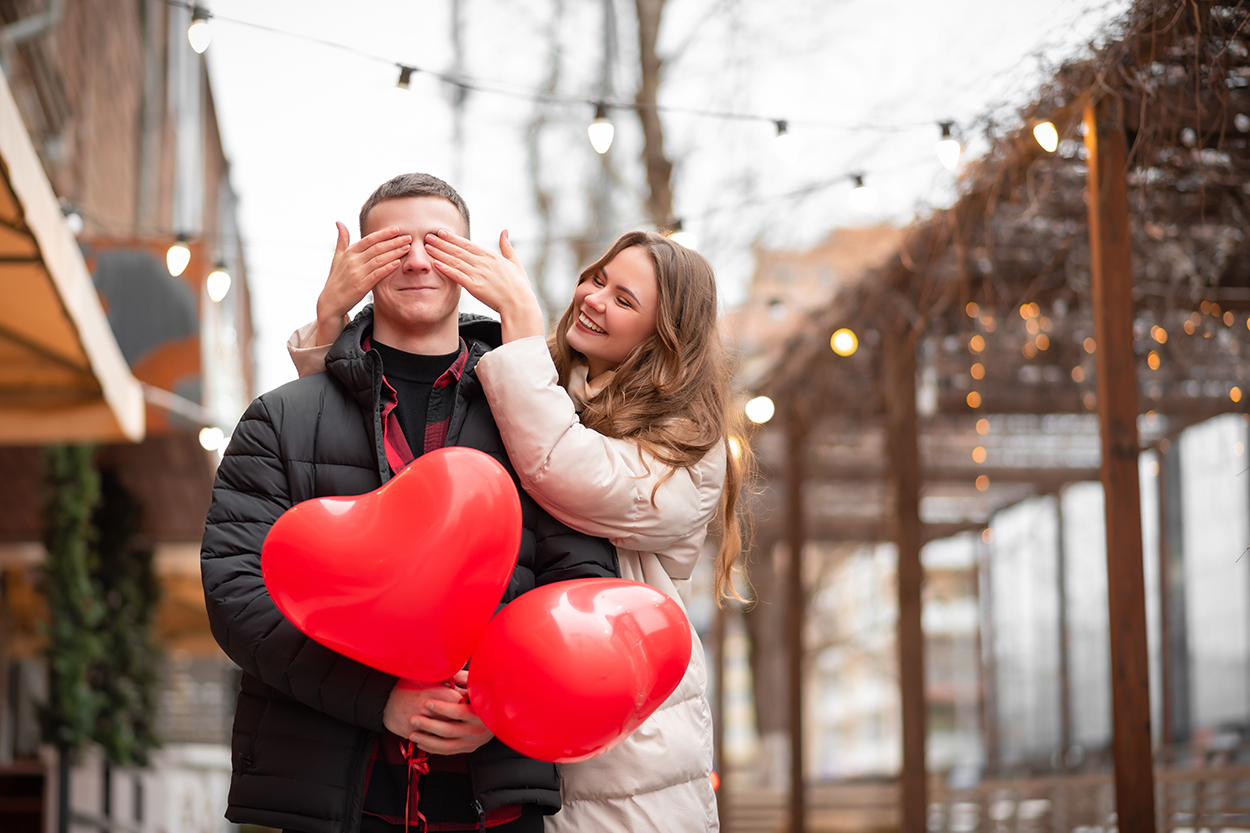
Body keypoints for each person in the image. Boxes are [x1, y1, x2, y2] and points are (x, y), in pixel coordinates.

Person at [290, 220, 748, 832]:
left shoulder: (687, 444)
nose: (592, 298)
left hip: (628, 746)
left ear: (664, 340)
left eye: (624, 299)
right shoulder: (554, 387)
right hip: (530, 750)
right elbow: (367, 461)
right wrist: (330, 326)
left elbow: (562, 468)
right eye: (598, 278)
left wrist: (519, 317)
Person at [201, 172, 620, 833]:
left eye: (440, 243)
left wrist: (501, 703)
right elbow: (235, 592)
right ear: (359, 263)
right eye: (394, 244)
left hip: (495, 798)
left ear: (474, 261)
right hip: (330, 793)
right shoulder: (279, 419)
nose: (419, 260)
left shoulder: (540, 422)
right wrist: (380, 697)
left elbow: (583, 586)